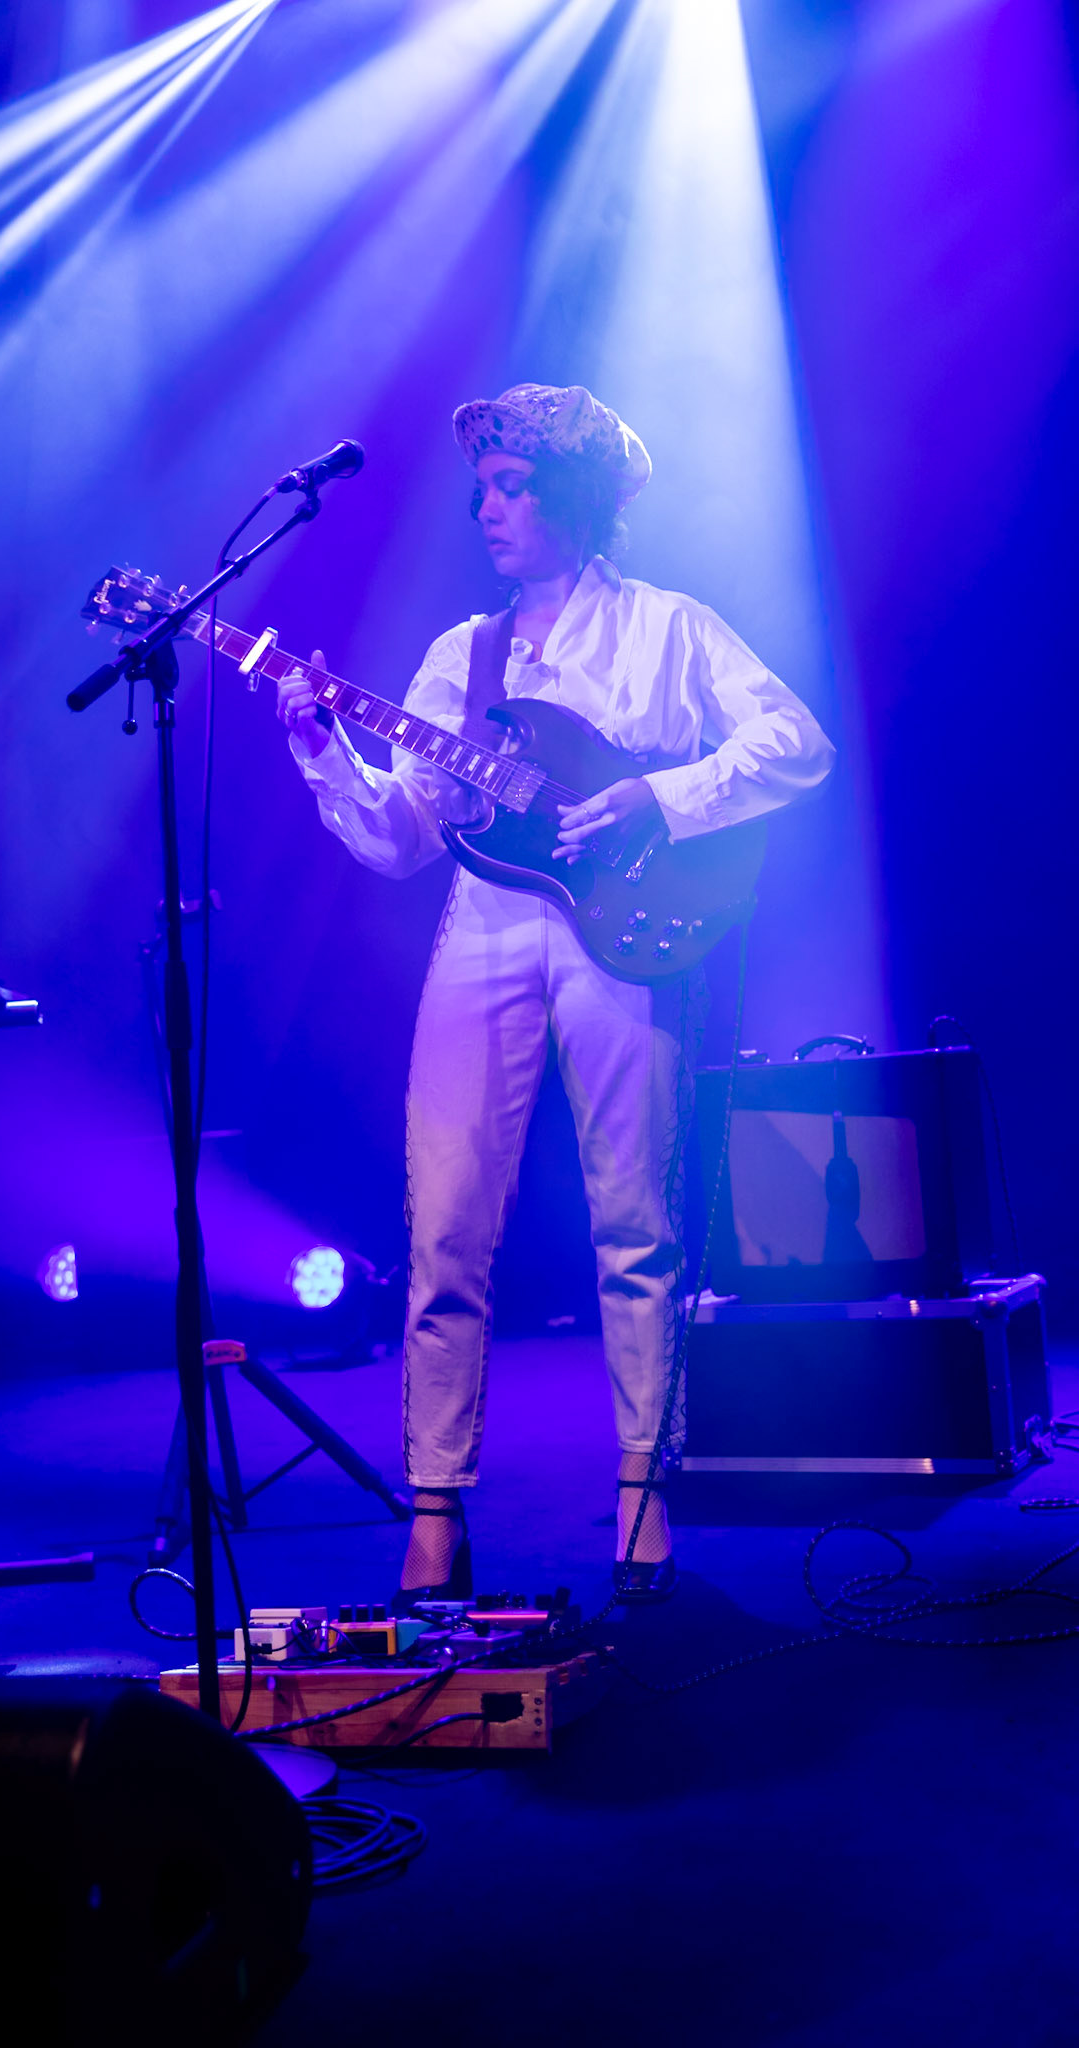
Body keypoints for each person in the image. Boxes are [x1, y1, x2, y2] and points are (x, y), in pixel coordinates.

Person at [277, 383, 833, 1603]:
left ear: (575, 499)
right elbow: (397, 839)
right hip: (482, 929)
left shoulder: (671, 629)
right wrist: (325, 743)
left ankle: (643, 1482)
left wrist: (657, 797)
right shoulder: (458, 658)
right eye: (483, 487)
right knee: (443, 1229)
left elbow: (796, 742)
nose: (489, 508)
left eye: (513, 486)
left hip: (623, 938)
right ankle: (434, 1504)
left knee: (635, 1218)